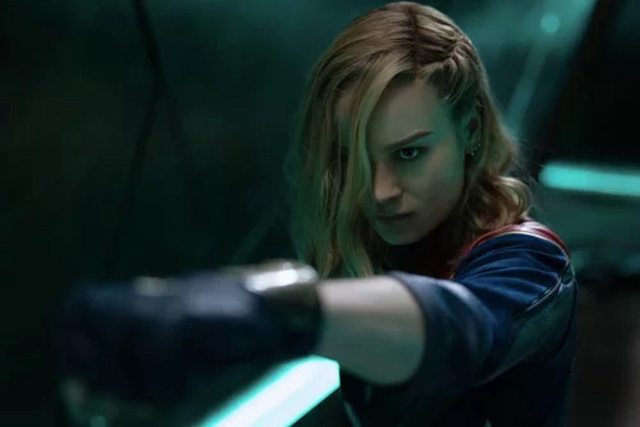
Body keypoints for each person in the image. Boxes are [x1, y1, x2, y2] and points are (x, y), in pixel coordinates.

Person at [58, 2, 577, 426]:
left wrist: (276, 313)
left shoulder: (530, 266)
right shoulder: (376, 245)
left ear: (470, 132)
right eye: (352, 158)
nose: (379, 192)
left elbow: (465, 327)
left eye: (409, 153)